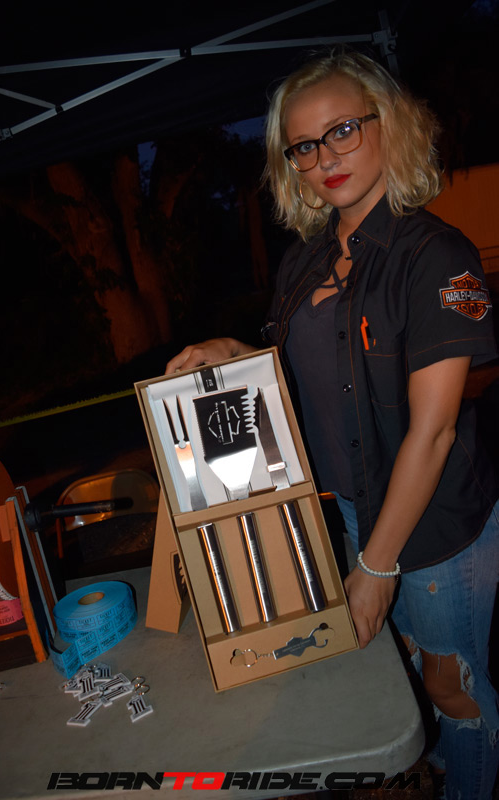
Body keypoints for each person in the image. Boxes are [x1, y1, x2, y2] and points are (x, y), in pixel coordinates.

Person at [165, 50, 499, 799]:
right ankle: (444, 767)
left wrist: (375, 571)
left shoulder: (435, 257)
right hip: (353, 508)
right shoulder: (304, 263)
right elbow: (304, 374)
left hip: (435, 525)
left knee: (451, 687)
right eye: (304, 146)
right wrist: (235, 353)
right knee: (407, 662)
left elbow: (434, 433)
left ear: (391, 125)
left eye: (343, 130)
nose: (324, 159)